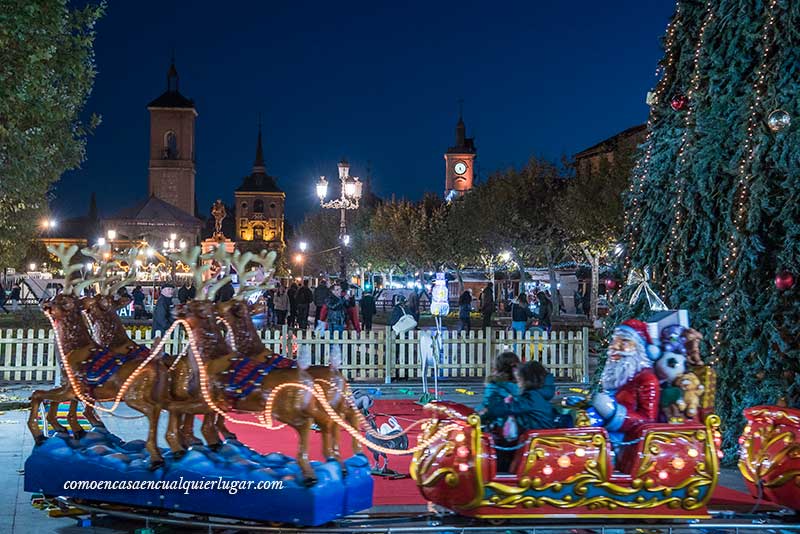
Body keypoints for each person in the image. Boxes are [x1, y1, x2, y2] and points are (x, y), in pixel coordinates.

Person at [590, 319, 661, 467]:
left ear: (639, 348)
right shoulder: (618, 376)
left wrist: (613, 413)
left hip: (623, 441)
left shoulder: (647, 380)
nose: (615, 347)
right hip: (603, 433)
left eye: (624, 342)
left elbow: (648, 420)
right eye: (614, 341)